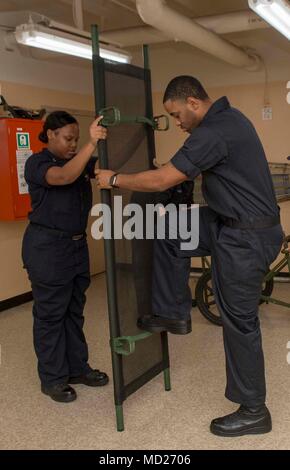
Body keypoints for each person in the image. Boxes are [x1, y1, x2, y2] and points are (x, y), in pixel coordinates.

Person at [95, 76, 284, 437]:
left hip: (246, 236)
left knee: (239, 321)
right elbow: (177, 170)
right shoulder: (225, 121)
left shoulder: (214, 131)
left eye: (177, 114)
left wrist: (115, 179)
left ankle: (254, 410)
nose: (177, 123)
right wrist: (161, 171)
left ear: (194, 103)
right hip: (225, 222)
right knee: (168, 230)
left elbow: (164, 180)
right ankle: (173, 313)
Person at [22, 111, 108, 403]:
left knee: (74, 311)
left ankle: (76, 369)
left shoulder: (80, 162)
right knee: (50, 315)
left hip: (75, 247)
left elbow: (102, 170)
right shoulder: (38, 163)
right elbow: (65, 176)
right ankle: (53, 379)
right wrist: (90, 145)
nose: (73, 144)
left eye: (76, 139)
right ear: (50, 135)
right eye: (68, 139)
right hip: (47, 248)